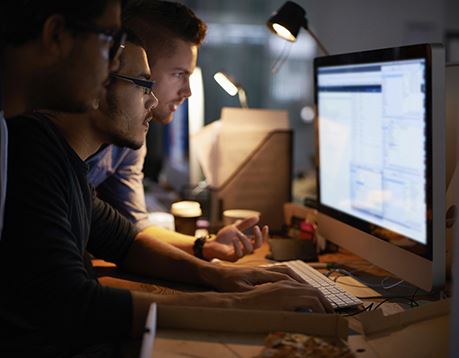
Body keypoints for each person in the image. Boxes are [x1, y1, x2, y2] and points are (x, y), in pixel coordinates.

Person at [0, 31, 332, 356]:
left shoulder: (67, 162)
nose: (154, 99)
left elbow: (128, 242)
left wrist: (218, 274)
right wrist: (238, 305)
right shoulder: (33, 154)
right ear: (98, 86)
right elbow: (75, 305)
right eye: (144, 84)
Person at [86, 0, 263, 262]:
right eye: (179, 74)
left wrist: (205, 245)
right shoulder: (52, 140)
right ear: (133, 61)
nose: (188, 92)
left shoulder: (130, 140)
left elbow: (135, 227)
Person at [0, 0, 126, 240]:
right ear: (56, 35)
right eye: (110, 38)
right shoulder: (32, 148)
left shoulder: (7, 128)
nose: (116, 63)